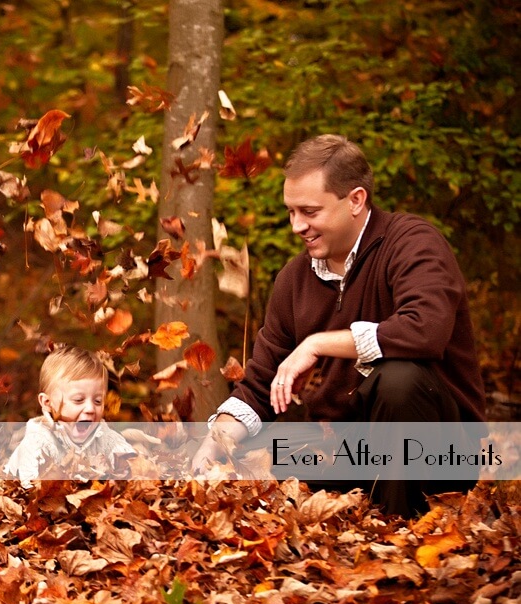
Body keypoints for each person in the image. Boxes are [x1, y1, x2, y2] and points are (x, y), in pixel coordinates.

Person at [191, 134, 486, 517]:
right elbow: (260, 384)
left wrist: (317, 344)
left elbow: (424, 330)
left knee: (398, 378)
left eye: (310, 212)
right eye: (290, 212)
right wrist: (218, 439)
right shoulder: (294, 279)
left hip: (438, 448)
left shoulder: (413, 243)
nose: (297, 226)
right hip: (345, 451)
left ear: (356, 200)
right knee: (235, 447)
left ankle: (400, 527)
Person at [4, 345, 135, 484]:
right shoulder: (38, 441)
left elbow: (132, 464)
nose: (90, 408)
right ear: (48, 402)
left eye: (98, 401)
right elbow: (30, 488)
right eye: (78, 400)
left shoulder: (103, 434)